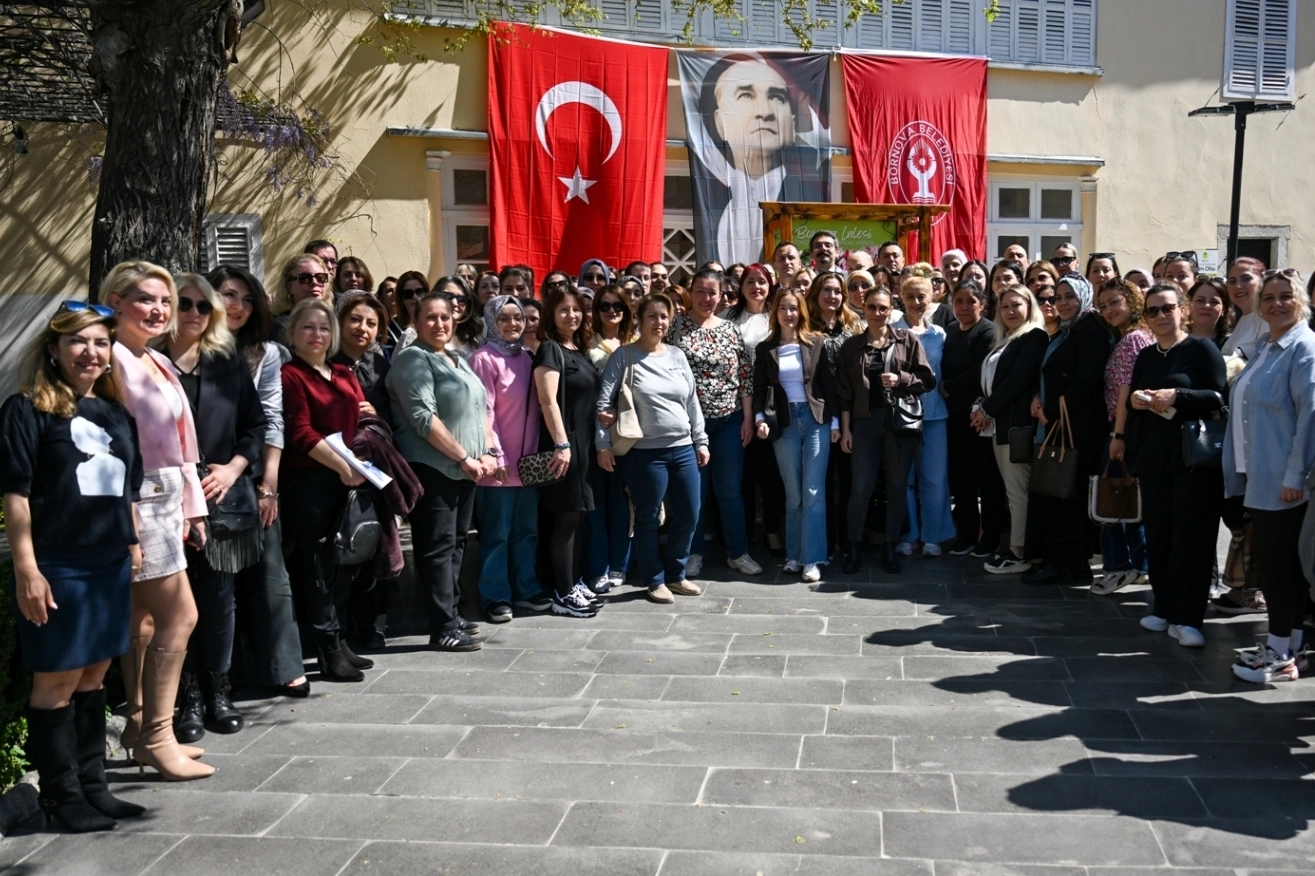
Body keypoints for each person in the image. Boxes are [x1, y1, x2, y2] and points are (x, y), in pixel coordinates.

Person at [2, 303, 148, 831]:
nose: (91, 352)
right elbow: (16, 495)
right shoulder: (26, 410)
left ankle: (94, 788)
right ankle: (60, 799)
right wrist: (27, 569)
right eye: (78, 342)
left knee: (94, 673)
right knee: (58, 678)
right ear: (54, 350)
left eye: (100, 343)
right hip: (58, 565)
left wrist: (132, 543)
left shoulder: (115, 413)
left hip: (107, 563)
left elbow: (128, 488)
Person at [101, 261, 214, 781]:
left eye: (165, 301)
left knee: (144, 619)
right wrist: (126, 518)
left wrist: (193, 508)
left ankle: (139, 724)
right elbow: (110, 445)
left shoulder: (156, 360)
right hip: (138, 498)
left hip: (166, 497)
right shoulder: (110, 358)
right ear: (116, 302)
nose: (160, 309)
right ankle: (157, 738)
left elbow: (183, 445)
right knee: (180, 615)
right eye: (147, 299)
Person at [160, 274, 264, 744]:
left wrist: (234, 469)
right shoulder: (148, 362)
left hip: (219, 497)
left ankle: (219, 691)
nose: (194, 313)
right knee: (174, 605)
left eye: (204, 306)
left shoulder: (226, 360)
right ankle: (187, 699)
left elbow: (254, 425)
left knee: (219, 600)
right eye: (184, 303)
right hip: (163, 500)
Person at [208, 266, 307, 698]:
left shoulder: (264, 353)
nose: (238, 307)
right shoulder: (185, 349)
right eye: (229, 295)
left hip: (250, 473)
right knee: (215, 585)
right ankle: (217, 678)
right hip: (202, 475)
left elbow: (271, 419)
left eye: (247, 300)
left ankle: (283, 666)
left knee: (270, 573)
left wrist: (269, 485)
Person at [388, 291, 499, 649]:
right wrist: (464, 456)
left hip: (467, 469)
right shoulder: (413, 359)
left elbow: (481, 409)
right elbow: (423, 418)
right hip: (434, 467)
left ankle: (451, 612)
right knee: (436, 547)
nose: (440, 323)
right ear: (416, 322)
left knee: (456, 544)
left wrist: (489, 452)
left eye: (446, 317)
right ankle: (442, 627)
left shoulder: (455, 358)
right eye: (431, 317)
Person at [1225, 269, 1315, 680]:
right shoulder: (1266, 346)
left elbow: (1309, 417)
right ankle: (1291, 645)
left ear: (1301, 301)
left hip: (1283, 479)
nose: (1277, 304)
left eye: (1285, 296)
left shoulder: (1304, 348)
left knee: (1276, 567)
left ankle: (1278, 652)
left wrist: (1295, 476)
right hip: (1261, 472)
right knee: (1285, 566)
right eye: (1269, 298)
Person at [1127, 283, 1228, 648]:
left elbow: (1219, 396)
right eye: (1152, 310)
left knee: (1191, 539)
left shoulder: (1200, 348)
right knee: (1159, 537)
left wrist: (1178, 395)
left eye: (1167, 308)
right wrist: (1137, 400)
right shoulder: (1147, 355)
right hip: (1155, 459)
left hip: (1193, 461)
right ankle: (1164, 607)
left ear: (1182, 310)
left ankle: (1188, 617)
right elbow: (1133, 395)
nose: (1160, 316)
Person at [279, 298, 373, 679]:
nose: (316, 334)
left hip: (346, 478)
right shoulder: (290, 375)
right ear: (292, 333)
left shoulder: (343, 372)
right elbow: (300, 433)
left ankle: (341, 638)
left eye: (323, 328)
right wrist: (342, 465)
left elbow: (360, 412)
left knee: (343, 561)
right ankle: (327, 648)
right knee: (318, 565)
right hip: (310, 481)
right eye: (308, 327)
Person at [598, 292, 708, 602]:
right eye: (652, 316)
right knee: (647, 518)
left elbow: (692, 401)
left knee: (689, 513)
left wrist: (700, 440)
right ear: (639, 319)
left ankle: (676, 574)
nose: (658, 322)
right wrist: (602, 444)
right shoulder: (624, 356)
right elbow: (603, 404)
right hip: (644, 453)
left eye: (664, 316)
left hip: (683, 447)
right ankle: (654, 580)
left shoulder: (677, 355)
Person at [687, 54, 829, 266]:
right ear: (720, 123)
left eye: (777, 98)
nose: (765, 112)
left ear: (792, 124)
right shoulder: (710, 204)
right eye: (746, 95)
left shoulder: (810, 199)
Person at [668, 269, 761, 577]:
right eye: (700, 291)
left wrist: (747, 418)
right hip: (690, 425)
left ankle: (738, 552)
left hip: (730, 421)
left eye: (712, 292)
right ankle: (693, 553)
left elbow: (744, 376)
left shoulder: (730, 329)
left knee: (730, 489)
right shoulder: (675, 326)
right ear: (690, 292)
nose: (706, 298)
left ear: (721, 296)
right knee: (695, 492)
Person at [1022, 274, 1113, 586]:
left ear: (1084, 297)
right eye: (1057, 297)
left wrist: (1051, 410)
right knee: (1061, 494)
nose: (1062, 303)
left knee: (1065, 495)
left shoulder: (1091, 329)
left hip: (1076, 426)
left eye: (1070, 296)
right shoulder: (1068, 330)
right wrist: (1039, 397)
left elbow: (1088, 381)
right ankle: (1070, 562)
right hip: (1061, 422)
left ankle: (1062, 562)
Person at [836, 286, 934, 574]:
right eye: (872, 307)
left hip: (899, 422)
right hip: (864, 422)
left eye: (883, 308)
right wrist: (846, 430)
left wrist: (900, 378)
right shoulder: (851, 346)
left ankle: (890, 547)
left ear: (891, 310)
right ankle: (854, 548)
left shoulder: (907, 339)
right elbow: (844, 394)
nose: (877, 313)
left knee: (897, 486)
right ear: (863, 308)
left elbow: (927, 379)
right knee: (860, 488)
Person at [470, 296, 553, 622]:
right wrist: (496, 454)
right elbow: (484, 411)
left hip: (527, 466)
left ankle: (526, 589)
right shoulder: (483, 358)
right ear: (491, 321)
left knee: (526, 532)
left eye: (517, 317)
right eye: (503, 318)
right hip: (499, 467)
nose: (512, 324)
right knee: (496, 536)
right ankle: (495, 596)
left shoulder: (528, 357)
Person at [753, 290, 833, 582]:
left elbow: (828, 385)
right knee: (794, 494)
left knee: (813, 492)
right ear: (775, 313)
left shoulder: (816, 342)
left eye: (794, 309)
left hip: (815, 420)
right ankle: (794, 555)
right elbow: (758, 388)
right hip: (784, 423)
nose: (789, 314)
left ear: (802, 312)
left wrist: (836, 423)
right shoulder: (766, 348)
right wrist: (760, 419)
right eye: (783, 308)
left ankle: (813, 558)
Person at [534, 285, 605, 617]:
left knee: (578, 516)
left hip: (585, 444)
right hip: (566, 445)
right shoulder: (550, 349)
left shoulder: (579, 348)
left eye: (576, 309)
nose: (571, 315)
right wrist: (561, 444)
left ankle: (574, 582)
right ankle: (563, 593)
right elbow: (547, 400)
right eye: (563, 309)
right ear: (551, 313)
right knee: (566, 517)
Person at [972, 285, 1048, 573]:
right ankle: (1020, 547)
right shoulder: (1005, 339)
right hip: (999, 426)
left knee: (1018, 492)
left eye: (1017, 304)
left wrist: (987, 410)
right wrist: (983, 409)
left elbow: (1018, 379)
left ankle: (1019, 552)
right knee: (1012, 491)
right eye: (1005, 306)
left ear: (1029, 306)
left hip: (1016, 427)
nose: (1010, 311)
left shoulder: (1034, 336)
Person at [332, 293, 393, 647]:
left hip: (376, 469)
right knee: (342, 551)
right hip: (338, 468)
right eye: (355, 320)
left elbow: (394, 413)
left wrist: (375, 414)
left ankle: (373, 625)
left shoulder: (379, 364)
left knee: (377, 547)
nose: (363, 328)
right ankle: (339, 632)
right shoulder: (327, 361)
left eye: (372, 323)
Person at [724, 263, 786, 557]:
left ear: (770, 285)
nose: (756, 287)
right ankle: (744, 532)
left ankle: (772, 532)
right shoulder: (728, 318)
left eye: (761, 281)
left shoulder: (776, 317)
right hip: (734, 406)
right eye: (750, 281)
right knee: (741, 477)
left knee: (771, 476)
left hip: (769, 406)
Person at [941, 279, 1006, 558]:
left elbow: (981, 370)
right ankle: (966, 535)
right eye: (959, 301)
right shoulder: (951, 330)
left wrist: (948, 386)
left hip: (981, 418)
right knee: (962, 478)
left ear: (983, 304)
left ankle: (989, 538)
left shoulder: (988, 331)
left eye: (971, 301)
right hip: (954, 418)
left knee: (987, 480)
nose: (964, 307)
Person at [1095, 278, 1151, 595]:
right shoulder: (1129, 337)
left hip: (1123, 429)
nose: (1109, 310)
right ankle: (1139, 566)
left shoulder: (1133, 339)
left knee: (1112, 499)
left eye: (1115, 302)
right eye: (1103, 306)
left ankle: (1118, 567)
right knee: (1126, 500)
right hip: (1125, 428)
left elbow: (1126, 389)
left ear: (1132, 301)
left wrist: (1118, 433)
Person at [892, 272, 954, 557]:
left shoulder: (940, 334)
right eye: (910, 296)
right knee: (904, 478)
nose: (916, 302)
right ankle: (908, 534)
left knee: (935, 479)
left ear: (932, 297)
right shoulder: (892, 330)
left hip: (935, 413)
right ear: (901, 298)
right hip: (901, 414)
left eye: (922, 296)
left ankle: (933, 536)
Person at [807, 271, 861, 559]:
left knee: (850, 483)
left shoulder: (853, 329)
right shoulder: (806, 330)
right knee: (823, 485)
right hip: (819, 416)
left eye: (838, 291)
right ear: (816, 294)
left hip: (851, 417)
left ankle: (850, 542)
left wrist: (844, 419)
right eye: (827, 290)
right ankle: (826, 544)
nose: (832, 296)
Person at [585, 285, 636, 590]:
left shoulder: (636, 341)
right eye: (604, 305)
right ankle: (599, 566)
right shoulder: (586, 342)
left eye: (618, 305)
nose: (611, 311)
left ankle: (621, 564)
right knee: (598, 505)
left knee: (624, 503)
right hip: (595, 431)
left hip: (630, 434)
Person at [270, 254, 330, 345]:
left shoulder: (335, 321)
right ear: (289, 287)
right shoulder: (281, 326)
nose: (314, 282)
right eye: (304, 278)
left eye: (320, 278)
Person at [1221, 257, 1268, 359]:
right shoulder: (1244, 319)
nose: (1238, 286)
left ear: (1262, 281)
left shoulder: (1267, 319)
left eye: (1246, 279)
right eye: (1232, 281)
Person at [1187, 276, 1232, 348]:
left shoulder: (1232, 344)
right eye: (1200, 300)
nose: (1207, 306)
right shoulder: (1173, 340)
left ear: (1223, 309)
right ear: (1189, 304)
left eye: (1214, 302)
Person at [392, 271, 429, 353]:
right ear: (401, 298)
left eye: (420, 292)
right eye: (408, 293)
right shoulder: (391, 328)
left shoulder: (436, 324)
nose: (415, 297)